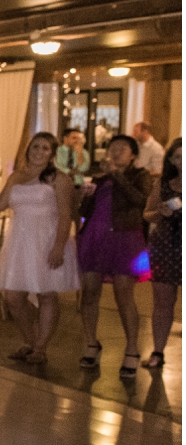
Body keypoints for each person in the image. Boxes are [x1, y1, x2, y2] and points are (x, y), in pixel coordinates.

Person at [0, 131, 78, 368]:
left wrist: (59, 246)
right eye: (35, 147)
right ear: (28, 150)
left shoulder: (59, 179)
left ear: (52, 153)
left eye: (45, 148)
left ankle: (40, 347)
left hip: (47, 239)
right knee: (13, 296)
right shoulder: (17, 176)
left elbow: (66, 215)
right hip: (19, 240)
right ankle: (30, 340)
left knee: (47, 294)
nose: (39, 152)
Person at [76, 133, 152, 376]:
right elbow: (85, 211)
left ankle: (131, 348)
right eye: (113, 147)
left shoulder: (141, 176)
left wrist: (117, 176)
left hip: (124, 239)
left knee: (123, 295)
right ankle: (91, 342)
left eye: (123, 148)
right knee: (89, 294)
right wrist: (85, 196)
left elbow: (139, 201)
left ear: (133, 155)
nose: (117, 151)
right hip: (95, 238)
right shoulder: (100, 178)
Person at [143, 137, 181, 372]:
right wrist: (160, 212)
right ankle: (158, 350)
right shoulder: (165, 184)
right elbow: (147, 213)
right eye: (177, 157)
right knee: (163, 302)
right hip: (167, 245)